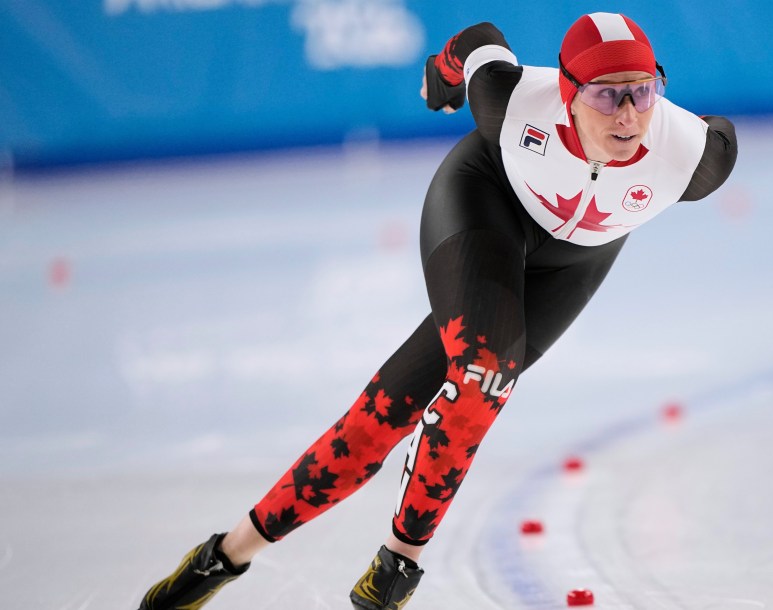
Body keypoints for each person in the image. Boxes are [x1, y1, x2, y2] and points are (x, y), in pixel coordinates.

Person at [137, 12, 736, 610]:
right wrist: (441, 75)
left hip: (574, 262)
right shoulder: (513, 100)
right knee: (483, 374)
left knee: (381, 419)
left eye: (642, 91)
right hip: (484, 206)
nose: (629, 114)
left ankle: (229, 556)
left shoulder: (692, 157)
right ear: (566, 93)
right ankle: (383, 565)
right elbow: (479, 41)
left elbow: (721, 133)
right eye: (607, 95)